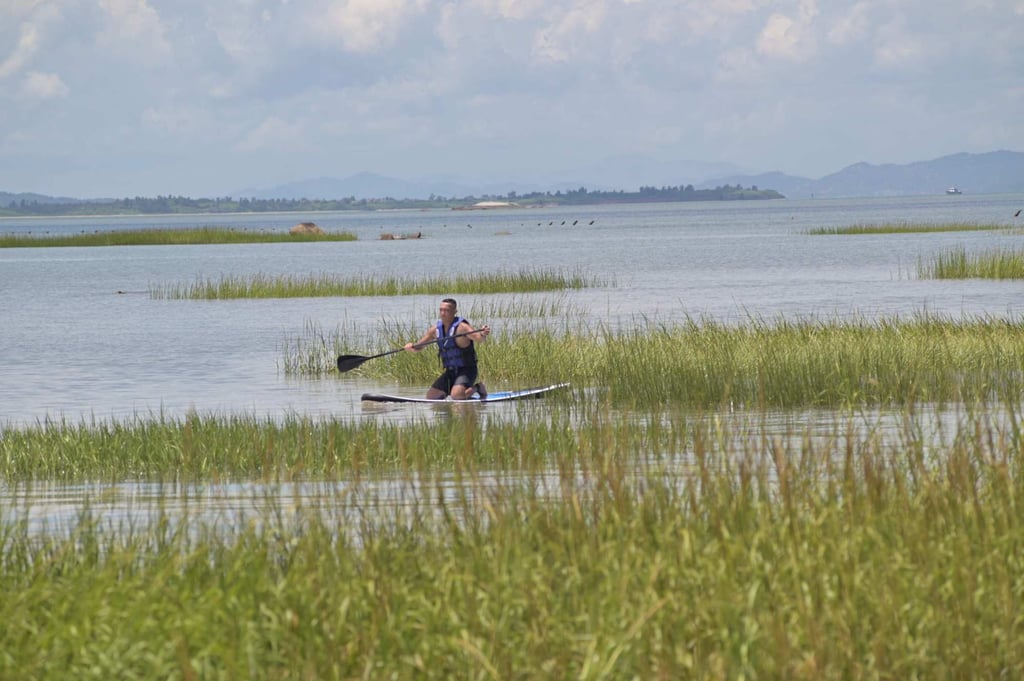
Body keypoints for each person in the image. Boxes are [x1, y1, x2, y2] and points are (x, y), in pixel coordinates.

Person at [404, 298, 490, 400]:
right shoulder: (435, 330)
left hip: (467, 370)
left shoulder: (462, 327)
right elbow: (420, 346)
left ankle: (478, 387)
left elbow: (479, 338)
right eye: (441, 310)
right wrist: (411, 346)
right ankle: (454, 391)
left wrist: (483, 333)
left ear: (454, 312)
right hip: (450, 371)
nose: (443, 313)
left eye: (447, 310)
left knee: (456, 396)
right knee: (431, 397)